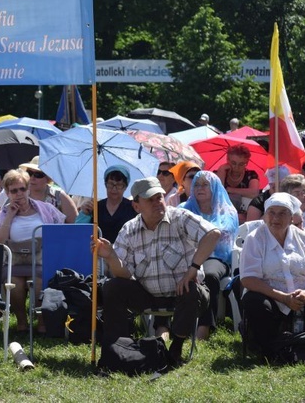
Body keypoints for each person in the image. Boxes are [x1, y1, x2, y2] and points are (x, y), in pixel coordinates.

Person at [95, 177, 219, 363]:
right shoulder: (129, 229)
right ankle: (118, 347)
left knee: (192, 289)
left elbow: (213, 234)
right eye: (150, 199)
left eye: (159, 197)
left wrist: (192, 269)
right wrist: (111, 256)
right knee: (112, 286)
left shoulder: (179, 217)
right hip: (146, 294)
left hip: (183, 292)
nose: (157, 202)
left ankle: (176, 347)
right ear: (136, 206)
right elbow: (125, 274)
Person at [240, 192, 305, 360]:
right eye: (271, 212)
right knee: (254, 301)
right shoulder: (254, 239)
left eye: (282, 213)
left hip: (303, 298)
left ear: (292, 218)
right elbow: (248, 278)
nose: (275, 218)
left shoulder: (304, 238)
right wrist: (284, 297)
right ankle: (271, 349)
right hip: (272, 298)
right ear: (264, 215)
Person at [0, 169, 66, 333]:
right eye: (14, 191)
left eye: (22, 189)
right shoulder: (4, 213)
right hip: (14, 262)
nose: (19, 194)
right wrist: (10, 216)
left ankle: (42, 322)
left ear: (28, 189)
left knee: (39, 281)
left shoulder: (45, 208)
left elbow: (60, 231)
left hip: (40, 261)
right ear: (7, 193)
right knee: (15, 284)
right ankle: (22, 321)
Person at [181, 171, 238, 340]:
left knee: (210, 275)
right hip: (187, 256)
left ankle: (204, 327)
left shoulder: (226, 211)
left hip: (217, 257)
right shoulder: (183, 209)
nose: (200, 188)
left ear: (214, 187)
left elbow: (219, 233)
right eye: (197, 184)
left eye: (205, 184)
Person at [77, 165, 137, 243]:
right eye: (111, 184)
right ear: (105, 185)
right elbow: (79, 232)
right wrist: (84, 214)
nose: (114, 189)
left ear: (125, 187)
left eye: (119, 185)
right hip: (97, 253)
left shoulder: (132, 208)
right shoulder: (95, 208)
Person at [11, 156, 77, 223]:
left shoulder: (59, 196)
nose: (32, 178)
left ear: (48, 178)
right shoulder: (17, 194)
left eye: (38, 175)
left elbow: (76, 226)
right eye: (29, 173)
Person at [215, 144, 261, 223]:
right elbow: (218, 194)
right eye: (233, 163)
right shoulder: (218, 173)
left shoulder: (251, 175)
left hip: (245, 217)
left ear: (247, 162)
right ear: (227, 160)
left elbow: (254, 192)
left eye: (241, 164)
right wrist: (221, 170)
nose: (236, 167)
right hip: (221, 215)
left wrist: (229, 189)